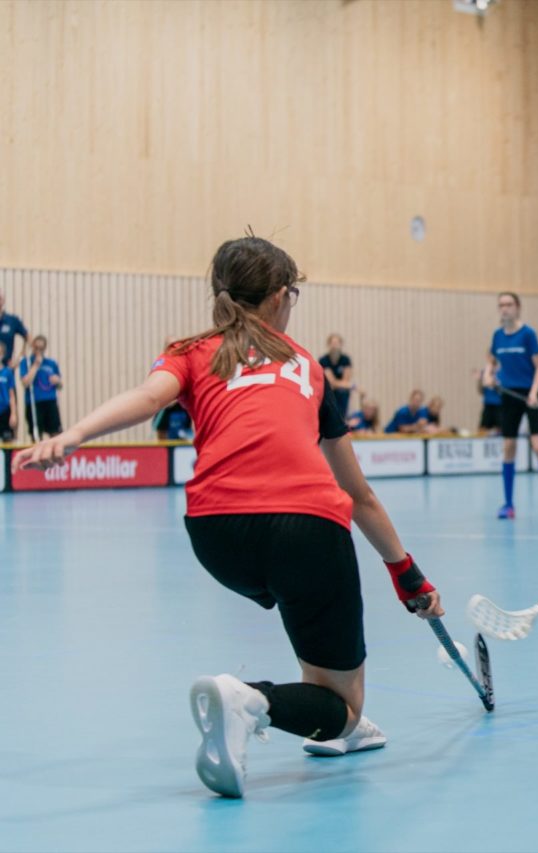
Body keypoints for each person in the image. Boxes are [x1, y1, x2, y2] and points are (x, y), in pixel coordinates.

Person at [13, 236, 444, 799]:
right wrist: (407, 575)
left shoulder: (193, 350)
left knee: (300, 612)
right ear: (276, 299)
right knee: (341, 708)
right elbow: (358, 495)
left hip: (215, 533)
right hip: (305, 526)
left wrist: (72, 435)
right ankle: (253, 701)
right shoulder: (307, 367)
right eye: (294, 292)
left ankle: (277, 708)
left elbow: (148, 399)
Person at [483, 292, 538, 519]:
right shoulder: (497, 336)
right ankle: (508, 505)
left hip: (532, 394)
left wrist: (535, 393)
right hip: (509, 396)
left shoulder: (528, 334)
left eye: (508, 304)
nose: (504, 309)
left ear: (517, 307)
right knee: (508, 447)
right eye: (501, 305)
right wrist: (489, 375)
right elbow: (491, 361)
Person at [19, 334, 62, 440]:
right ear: (33, 347)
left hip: (50, 401)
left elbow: (60, 385)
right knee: (37, 434)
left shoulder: (51, 363)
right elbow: (25, 383)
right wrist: (36, 365)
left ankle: (54, 455)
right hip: (34, 402)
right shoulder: (26, 362)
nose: (38, 351)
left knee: (56, 432)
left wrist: (57, 381)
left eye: (41, 348)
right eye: (36, 348)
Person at [319, 333, 355, 417]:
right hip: (328, 390)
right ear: (329, 344)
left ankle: (342, 418)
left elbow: (346, 380)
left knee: (342, 392)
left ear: (341, 344)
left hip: (341, 391)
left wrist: (347, 385)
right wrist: (349, 385)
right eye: (333, 343)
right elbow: (331, 382)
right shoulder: (324, 360)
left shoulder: (345, 360)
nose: (335, 346)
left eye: (337, 343)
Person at [0, 289, 28, 370]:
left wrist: (19, 359)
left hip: (6, 369)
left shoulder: (12, 320)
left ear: (3, 300)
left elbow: (28, 338)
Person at [475, 367, 502, 436]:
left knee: (501, 428)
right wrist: (479, 380)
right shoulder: (485, 373)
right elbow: (481, 391)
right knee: (482, 428)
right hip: (488, 406)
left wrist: (494, 383)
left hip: (499, 405)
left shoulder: (500, 373)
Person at [0, 341, 17, 442]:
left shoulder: (7, 372)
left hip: (5, 410)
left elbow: (12, 395)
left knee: (7, 439)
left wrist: (13, 414)